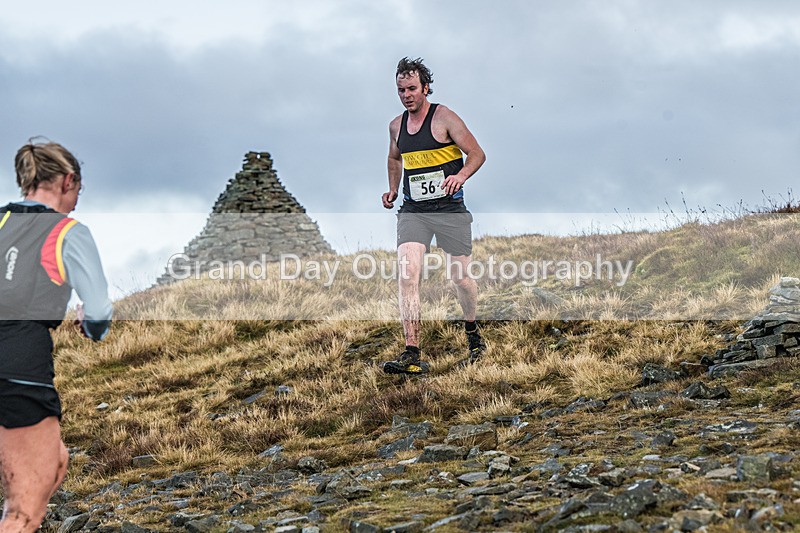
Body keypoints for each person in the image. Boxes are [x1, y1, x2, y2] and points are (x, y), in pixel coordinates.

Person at [0, 140, 112, 532]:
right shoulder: (67, 231)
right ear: (67, 181)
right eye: (78, 191)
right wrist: (91, 324)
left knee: (56, 462)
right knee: (24, 508)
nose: (77, 202)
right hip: (18, 368)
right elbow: (98, 310)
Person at [381, 57, 487, 374]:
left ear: (425, 88)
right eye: (401, 90)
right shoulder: (396, 126)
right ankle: (411, 350)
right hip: (415, 210)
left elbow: (477, 153)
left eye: (412, 88)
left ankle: (471, 330)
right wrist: (392, 190)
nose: (406, 95)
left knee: (461, 279)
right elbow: (394, 158)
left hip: (450, 208)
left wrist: (462, 176)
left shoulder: (445, 118)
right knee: (407, 274)